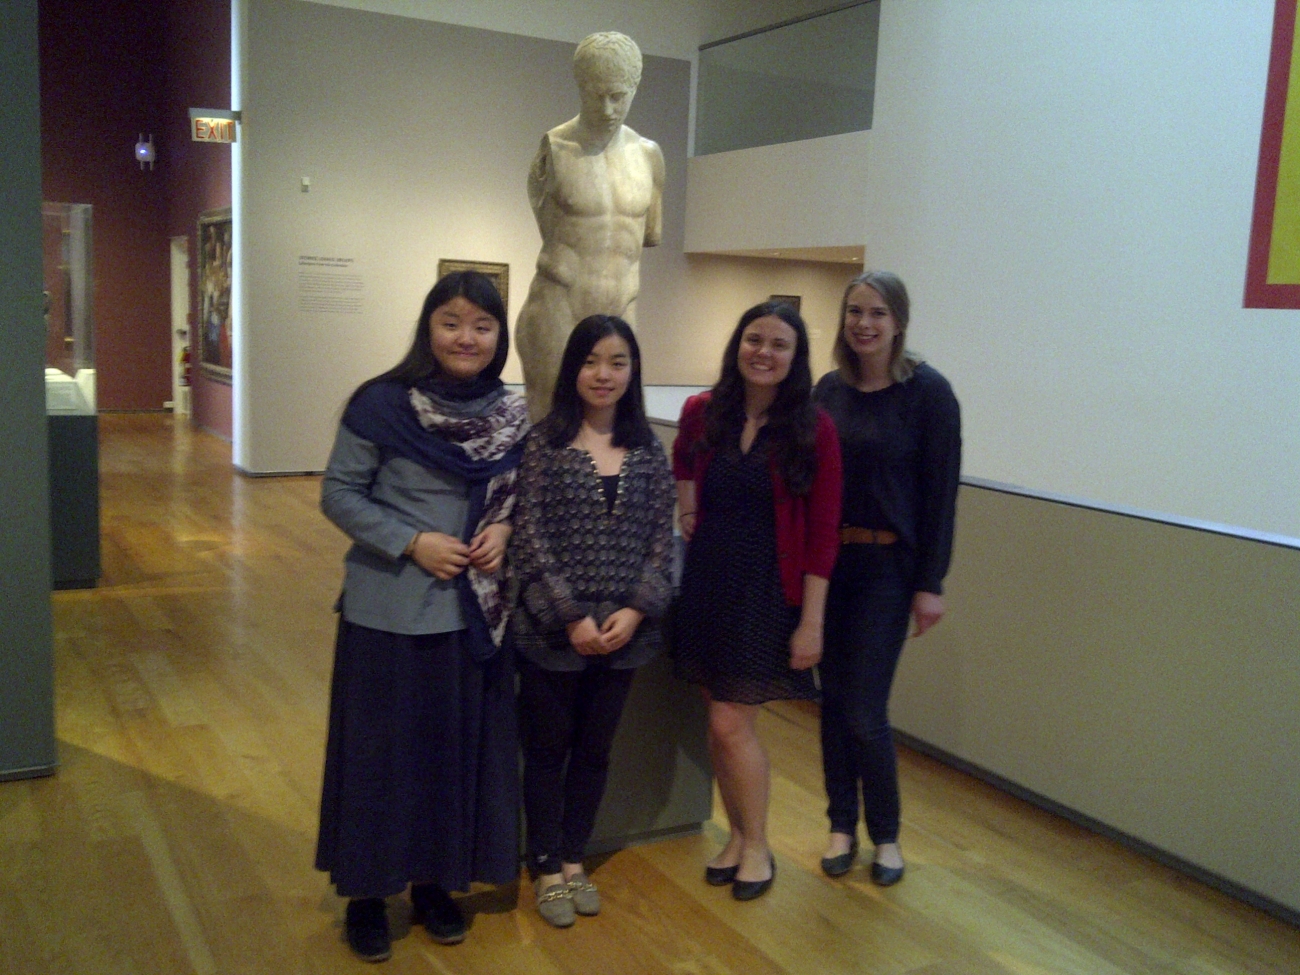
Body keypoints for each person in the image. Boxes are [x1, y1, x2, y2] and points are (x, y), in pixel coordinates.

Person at [314, 271, 530, 961]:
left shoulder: (513, 413)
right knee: (379, 761)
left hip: (474, 619)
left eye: (482, 325)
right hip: (389, 611)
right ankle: (369, 894)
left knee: (449, 758)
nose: (466, 337)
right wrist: (412, 541)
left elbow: (521, 497)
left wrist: (506, 532)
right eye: (451, 321)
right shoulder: (381, 404)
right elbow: (339, 494)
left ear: (500, 336)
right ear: (428, 327)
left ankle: (436, 881)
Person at [671, 301, 842, 901]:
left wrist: (812, 622)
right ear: (737, 345)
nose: (763, 353)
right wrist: (688, 504)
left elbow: (824, 532)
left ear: (795, 359)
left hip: (768, 592)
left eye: (779, 344)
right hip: (708, 583)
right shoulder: (702, 411)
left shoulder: (812, 427)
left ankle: (760, 844)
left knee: (730, 721)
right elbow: (681, 460)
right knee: (717, 724)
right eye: (754, 340)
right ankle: (739, 837)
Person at [510, 315, 676, 927]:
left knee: (596, 750)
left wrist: (635, 609)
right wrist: (571, 614)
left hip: (624, 636)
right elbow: (527, 536)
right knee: (547, 749)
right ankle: (546, 862)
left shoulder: (647, 448)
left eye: (617, 362)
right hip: (554, 634)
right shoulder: (543, 444)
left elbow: (665, 536)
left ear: (632, 372)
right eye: (591, 362)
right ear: (572, 369)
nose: (603, 375)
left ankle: (575, 855)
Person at [813, 271, 961, 887]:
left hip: (889, 570)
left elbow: (940, 495)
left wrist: (932, 583)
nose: (864, 323)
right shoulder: (827, 391)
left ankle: (888, 834)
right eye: (854, 312)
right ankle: (841, 824)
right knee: (832, 702)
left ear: (898, 321)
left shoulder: (929, 394)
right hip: (829, 568)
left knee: (865, 707)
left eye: (876, 312)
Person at [515, 31, 665, 420]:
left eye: (618, 95)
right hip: (559, 305)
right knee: (550, 431)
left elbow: (650, 234)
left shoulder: (649, 157)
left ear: (635, 87)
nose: (608, 107)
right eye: (595, 94)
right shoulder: (555, 149)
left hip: (622, 308)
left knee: (619, 432)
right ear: (580, 86)